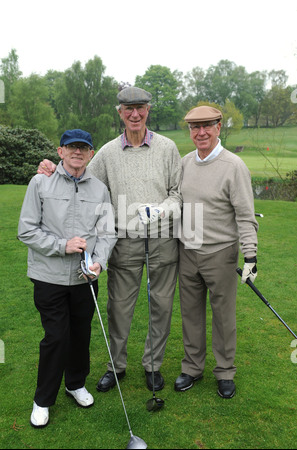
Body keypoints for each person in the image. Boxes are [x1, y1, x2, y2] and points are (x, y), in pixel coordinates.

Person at [37, 87, 182, 393]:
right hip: (124, 242)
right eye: (128, 108)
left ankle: (153, 366)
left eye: (140, 107)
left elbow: (177, 194)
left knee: (162, 306)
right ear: (120, 112)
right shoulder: (106, 153)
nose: (135, 114)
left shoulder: (168, 148)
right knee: (119, 308)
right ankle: (116, 366)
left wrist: (159, 210)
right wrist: (53, 167)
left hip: (162, 241)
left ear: (148, 110)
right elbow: (80, 176)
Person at [18, 129, 117, 428]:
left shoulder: (99, 189)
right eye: (71, 147)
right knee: (56, 337)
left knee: (80, 335)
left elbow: (107, 232)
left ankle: (75, 384)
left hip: (85, 278)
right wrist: (62, 246)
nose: (77, 152)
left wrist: (99, 263)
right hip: (48, 278)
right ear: (60, 152)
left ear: (90, 153)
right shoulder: (40, 182)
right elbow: (27, 230)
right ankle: (43, 399)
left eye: (83, 148)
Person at [175, 106, 258, 398]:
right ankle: (192, 368)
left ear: (219, 127)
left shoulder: (233, 166)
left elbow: (246, 216)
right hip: (187, 251)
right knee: (190, 315)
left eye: (207, 126)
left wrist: (250, 256)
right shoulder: (185, 163)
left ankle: (224, 371)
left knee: (223, 317)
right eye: (195, 128)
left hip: (221, 253)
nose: (201, 133)